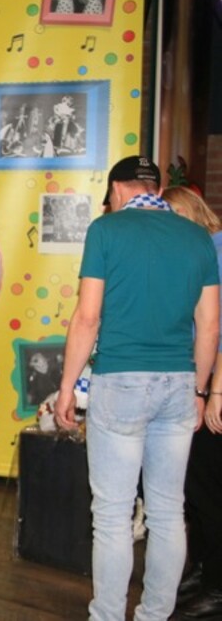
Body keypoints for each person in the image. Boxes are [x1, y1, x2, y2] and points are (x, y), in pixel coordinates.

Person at [54, 157, 220, 621]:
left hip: (121, 381)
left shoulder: (106, 230)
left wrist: (66, 388)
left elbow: (87, 317)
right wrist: (200, 390)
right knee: (168, 511)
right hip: (178, 383)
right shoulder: (197, 238)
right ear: (156, 188)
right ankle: (154, 616)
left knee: (112, 515)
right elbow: (210, 326)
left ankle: (107, 616)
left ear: (117, 190)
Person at [161, 186, 222, 619]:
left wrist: (215, 392)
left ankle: (217, 585)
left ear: (188, 212)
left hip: (214, 387)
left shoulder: (215, 250)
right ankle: (203, 568)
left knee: (210, 490)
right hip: (197, 384)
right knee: (195, 487)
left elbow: (217, 329)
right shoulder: (199, 252)